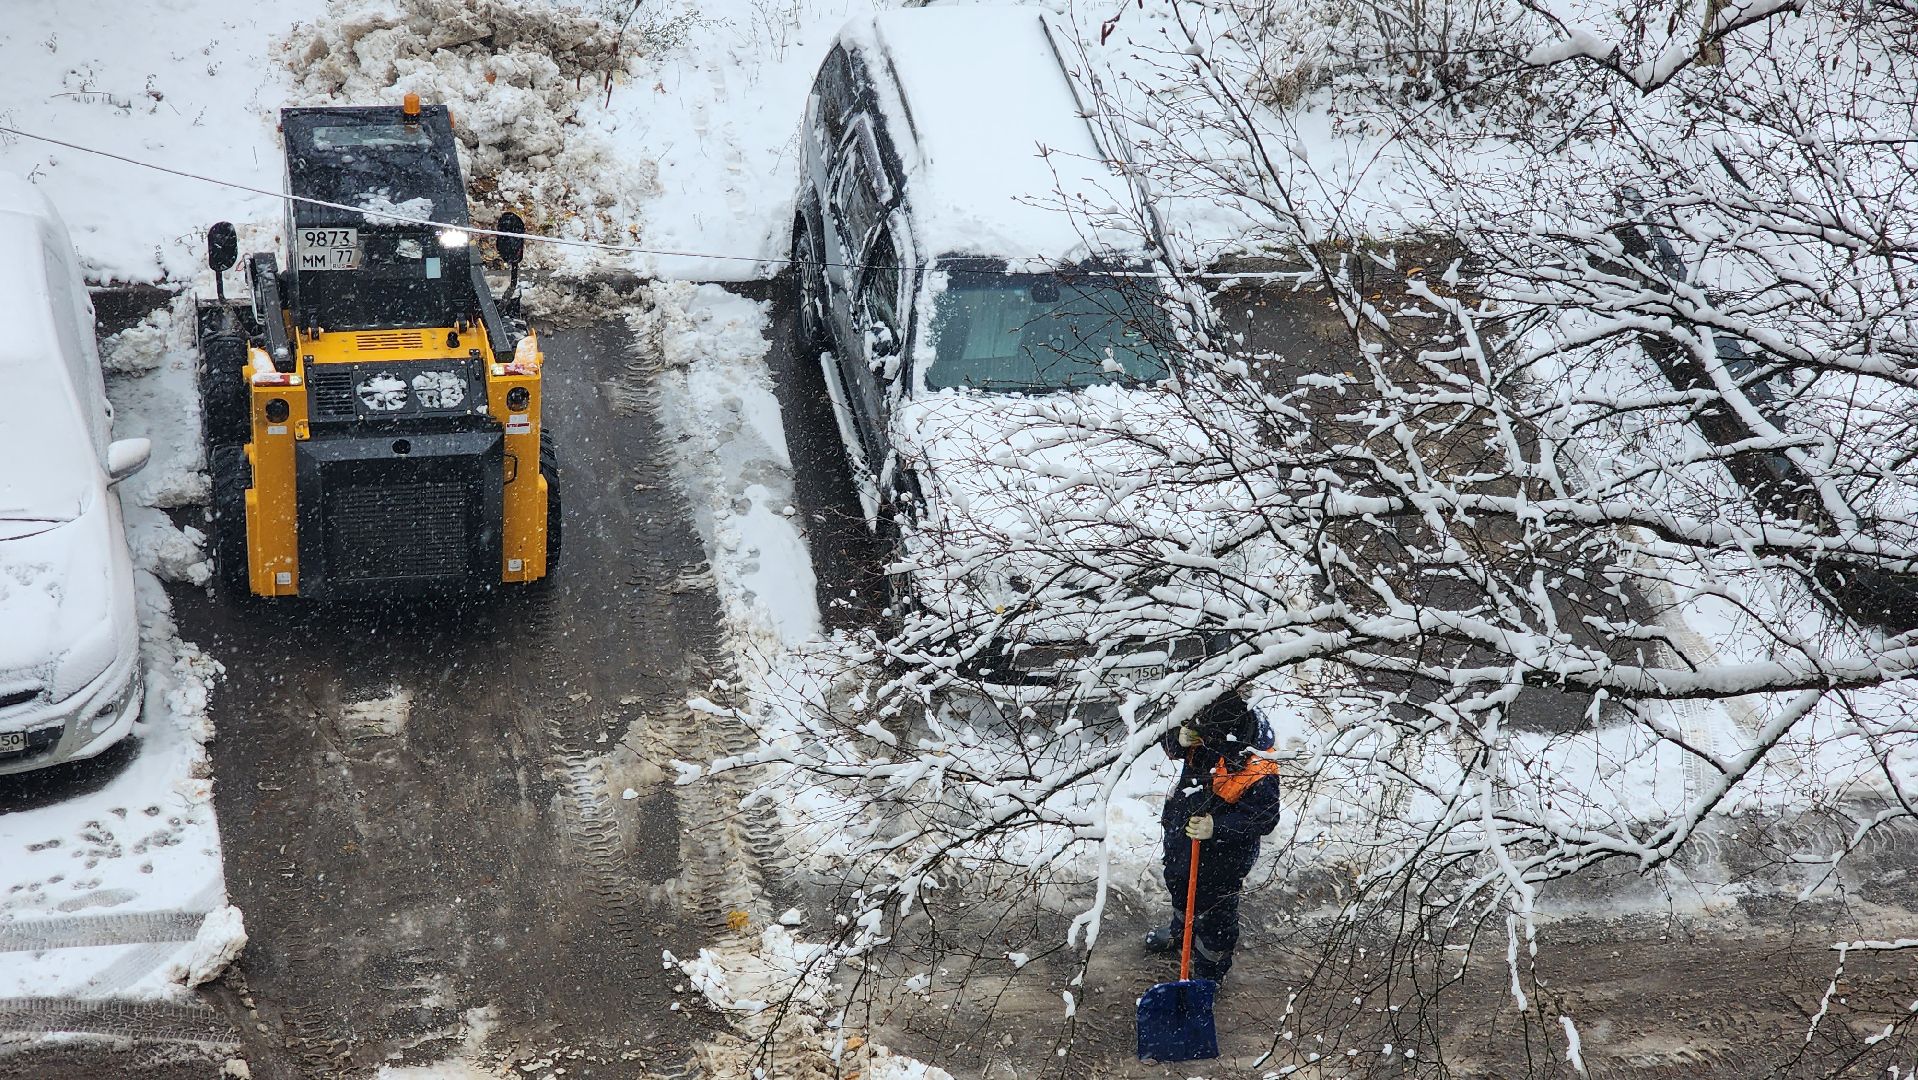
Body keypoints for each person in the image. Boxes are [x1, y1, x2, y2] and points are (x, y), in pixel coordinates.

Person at [1144, 692, 1283, 984]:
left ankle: (1209, 971)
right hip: (1184, 830)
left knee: (1216, 912)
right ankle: (1182, 935)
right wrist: (1176, 738)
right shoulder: (1202, 715)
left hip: (1225, 854)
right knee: (1179, 883)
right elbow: (1166, 737)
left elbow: (1264, 817)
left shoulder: (1257, 763)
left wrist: (1217, 827)